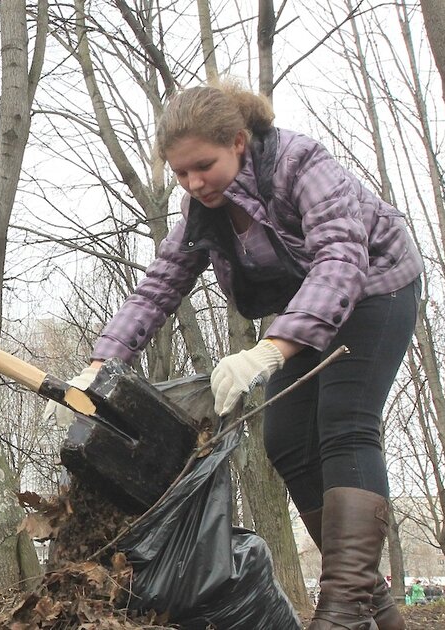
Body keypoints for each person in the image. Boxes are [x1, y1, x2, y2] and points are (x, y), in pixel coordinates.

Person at [47, 83, 420, 630]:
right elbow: (160, 287)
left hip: (376, 288)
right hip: (307, 308)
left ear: (240, 143)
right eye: (180, 174)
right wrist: (100, 367)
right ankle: (374, 607)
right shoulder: (202, 209)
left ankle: (342, 610)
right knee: (288, 441)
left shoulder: (300, 163)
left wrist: (271, 348)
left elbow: (342, 259)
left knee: (345, 427)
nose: (194, 183)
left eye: (204, 166)